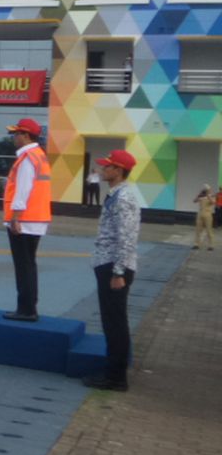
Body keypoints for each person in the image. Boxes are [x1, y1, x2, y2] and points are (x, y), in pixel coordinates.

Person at [84, 149, 141, 392]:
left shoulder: (123, 198)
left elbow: (126, 237)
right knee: (110, 321)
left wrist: (118, 273)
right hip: (108, 264)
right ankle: (113, 372)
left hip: (115, 267)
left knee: (115, 322)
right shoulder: (116, 194)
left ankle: (116, 377)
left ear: (118, 170)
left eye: (108, 166)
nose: (103, 170)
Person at [2, 118, 52, 322]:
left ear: (26, 135)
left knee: (23, 267)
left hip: (24, 220)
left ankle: (26, 309)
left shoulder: (27, 158)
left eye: (17, 134)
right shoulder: (39, 156)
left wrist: (15, 217)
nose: (14, 137)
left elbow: (22, 191)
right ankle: (29, 306)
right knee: (28, 265)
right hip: (36, 219)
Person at [193, 184, 215, 251]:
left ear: (210, 190)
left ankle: (211, 245)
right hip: (200, 214)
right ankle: (196, 244)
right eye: (205, 189)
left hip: (208, 214)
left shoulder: (212, 196)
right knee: (198, 230)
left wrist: (208, 196)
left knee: (209, 230)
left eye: (207, 189)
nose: (206, 191)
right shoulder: (201, 196)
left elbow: (213, 202)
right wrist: (199, 194)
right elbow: (194, 201)